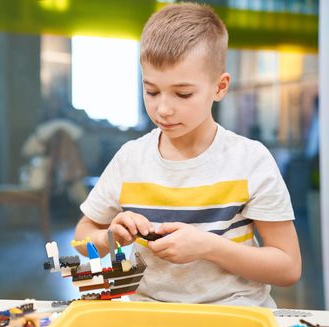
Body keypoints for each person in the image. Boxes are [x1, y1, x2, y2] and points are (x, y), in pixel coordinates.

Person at [74, 3, 301, 307]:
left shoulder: (250, 160)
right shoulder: (130, 159)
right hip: (149, 318)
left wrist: (209, 247)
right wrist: (111, 237)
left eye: (183, 94)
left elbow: (288, 267)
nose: (163, 109)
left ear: (219, 87)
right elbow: (82, 240)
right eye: (151, 91)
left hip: (234, 315)